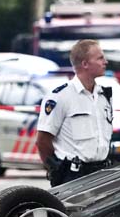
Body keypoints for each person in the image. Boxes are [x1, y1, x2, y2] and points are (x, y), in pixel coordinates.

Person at [36, 39, 113, 186]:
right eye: (100, 58)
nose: (105, 61)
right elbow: (42, 141)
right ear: (85, 64)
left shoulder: (104, 95)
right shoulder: (61, 96)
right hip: (73, 176)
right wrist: (56, 169)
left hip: (102, 174)